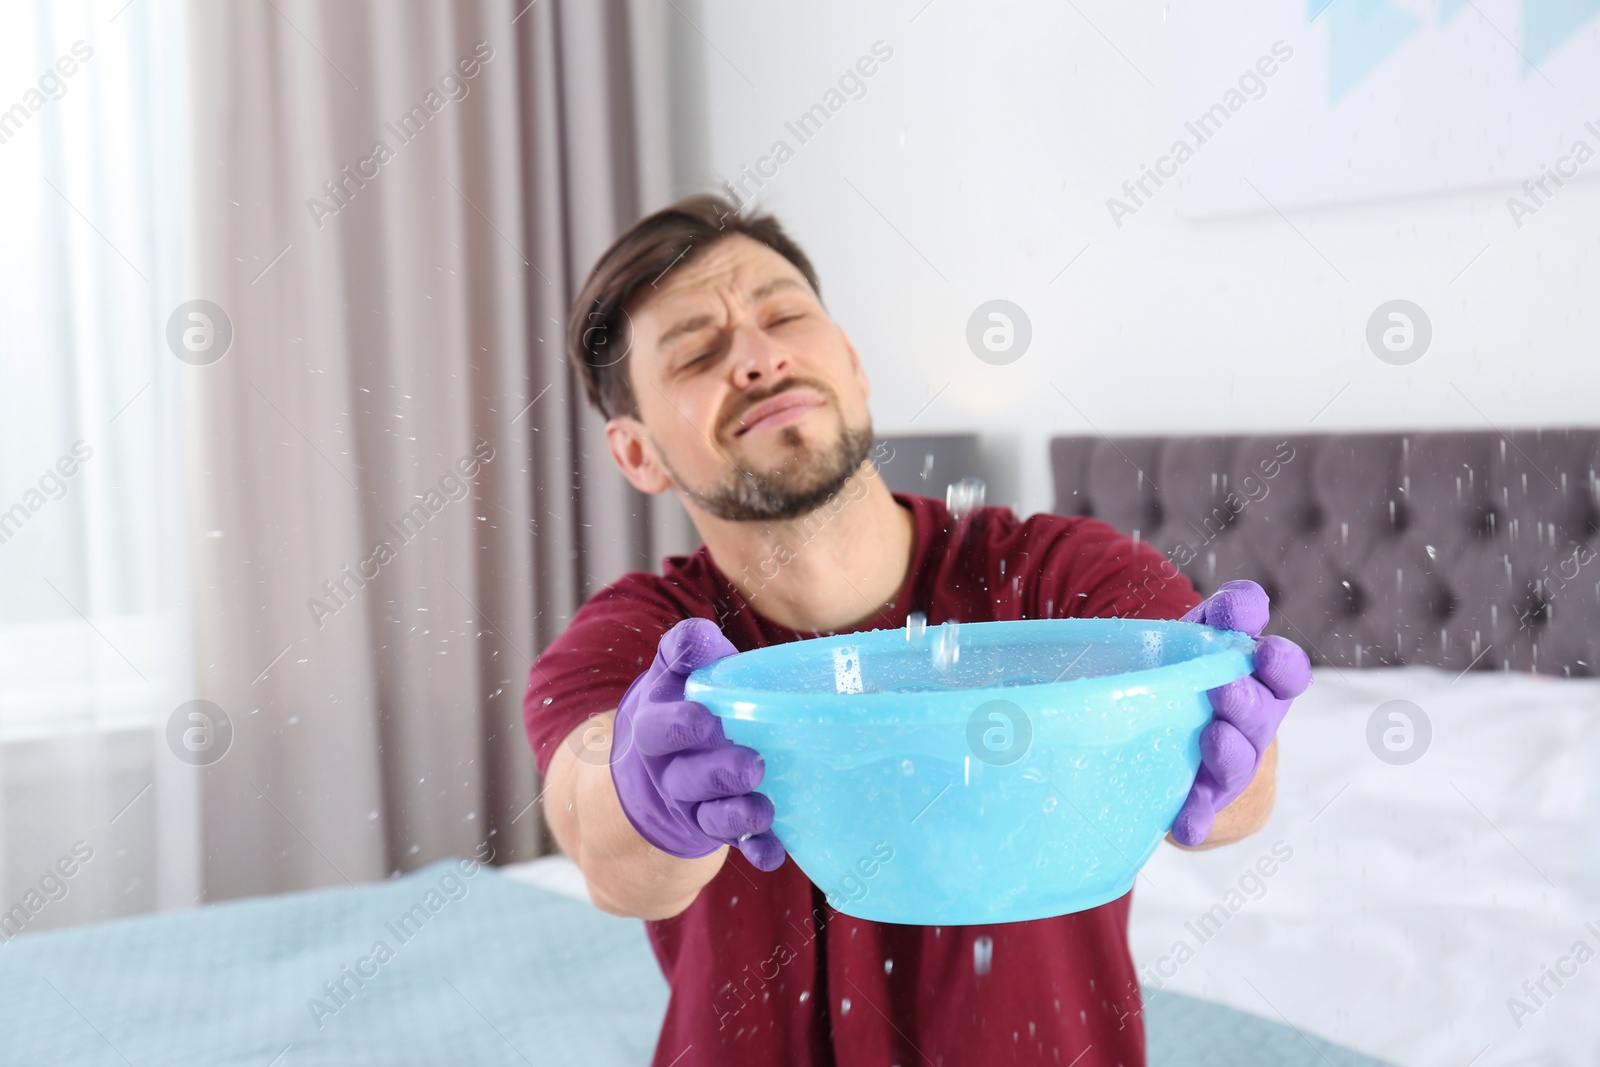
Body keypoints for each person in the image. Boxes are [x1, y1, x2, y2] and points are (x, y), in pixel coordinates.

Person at [522, 194, 1312, 1066]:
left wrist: (1229, 737)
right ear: (636, 453)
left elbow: (1243, 791)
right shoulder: (641, 639)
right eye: (699, 351)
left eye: (783, 314)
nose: (757, 355)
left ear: (852, 365)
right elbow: (600, 839)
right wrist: (645, 795)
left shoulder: (1065, 578)